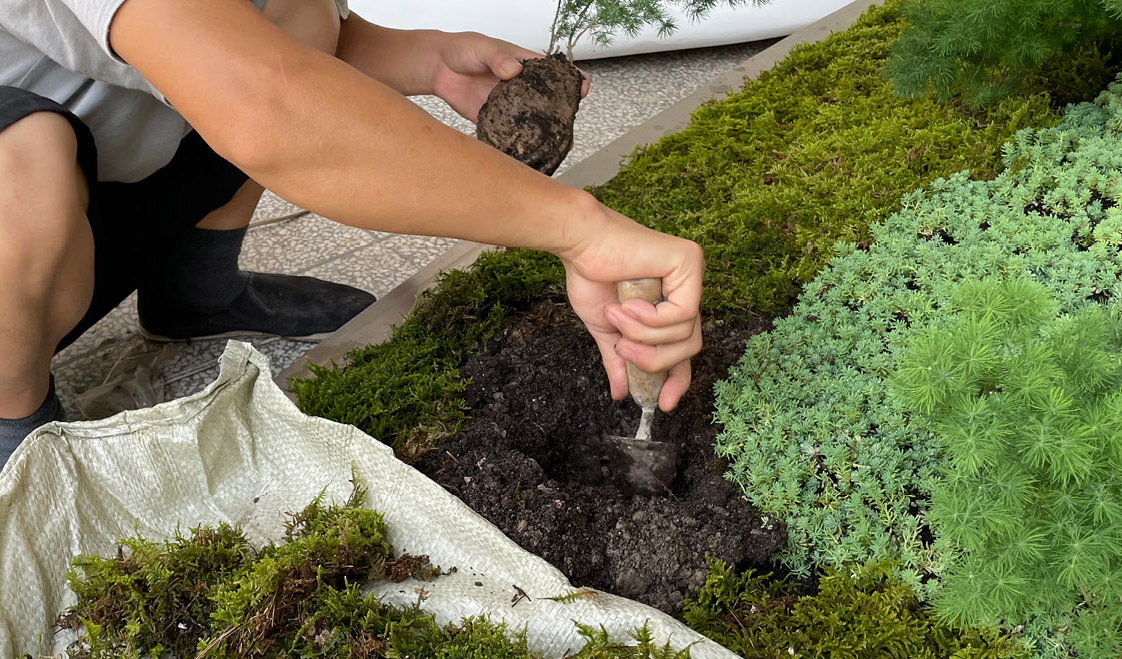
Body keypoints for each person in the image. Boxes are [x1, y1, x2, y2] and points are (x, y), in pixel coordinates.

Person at [0, 0, 705, 467]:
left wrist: (429, 59)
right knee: (22, 166)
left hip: (102, 205)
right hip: (25, 224)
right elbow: (267, 98)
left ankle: (194, 294)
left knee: (299, 17)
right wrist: (579, 228)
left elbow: (276, 35)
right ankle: (16, 435)